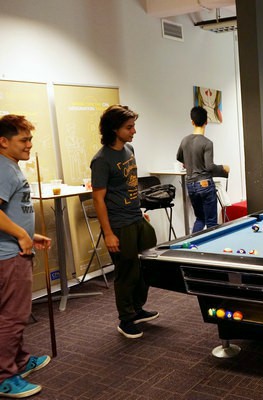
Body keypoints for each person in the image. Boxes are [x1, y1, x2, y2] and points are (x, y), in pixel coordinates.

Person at [90, 105, 159, 339]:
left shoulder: (129, 149)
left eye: (133, 126)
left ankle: (137, 309)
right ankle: (126, 319)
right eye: (129, 127)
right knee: (126, 271)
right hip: (119, 223)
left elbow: (129, 184)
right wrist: (108, 233)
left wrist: (138, 210)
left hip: (136, 217)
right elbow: (98, 199)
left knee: (146, 266)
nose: (134, 131)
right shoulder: (101, 160)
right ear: (114, 129)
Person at [0, 115, 52, 398]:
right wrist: (22, 236)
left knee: (13, 314)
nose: (29, 144)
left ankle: (19, 361)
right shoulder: (4, 169)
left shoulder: (9, 166)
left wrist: (30, 234)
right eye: (23, 140)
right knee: (13, 316)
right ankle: (4, 377)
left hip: (15, 249)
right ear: (3, 141)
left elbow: (9, 212)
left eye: (30, 139)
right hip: (10, 256)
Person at [176, 106, 229, 233]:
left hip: (190, 184)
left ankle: (193, 243)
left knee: (200, 219)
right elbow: (209, 167)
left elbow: (178, 157)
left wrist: (188, 163)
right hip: (205, 184)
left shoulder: (184, 140)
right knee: (211, 222)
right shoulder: (207, 143)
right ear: (206, 122)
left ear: (192, 122)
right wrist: (223, 168)